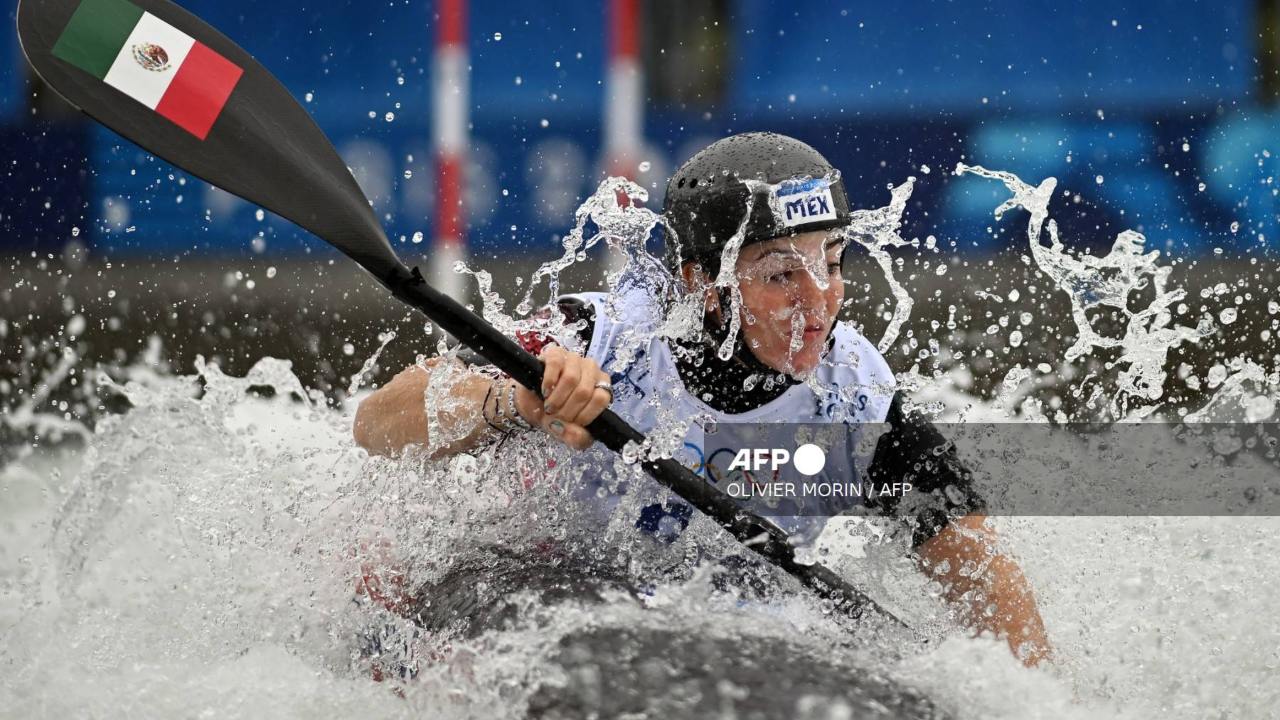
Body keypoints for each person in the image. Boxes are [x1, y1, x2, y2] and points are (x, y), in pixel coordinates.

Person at [353, 132, 1051, 667]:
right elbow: (376, 421)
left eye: (833, 265)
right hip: (538, 587)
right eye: (783, 275)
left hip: (721, 626)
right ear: (702, 283)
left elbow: (982, 578)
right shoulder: (600, 337)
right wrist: (516, 401)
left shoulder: (857, 404)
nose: (819, 304)